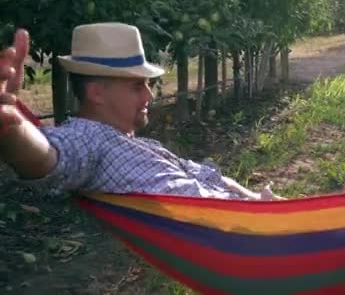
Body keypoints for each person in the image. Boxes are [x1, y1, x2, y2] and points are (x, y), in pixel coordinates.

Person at [0, 22, 283, 200]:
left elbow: (211, 178)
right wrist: (11, 128)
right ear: (97, 93)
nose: (149, 95)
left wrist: (258, 200)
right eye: (137, 86)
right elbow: (50, 159)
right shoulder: (90, 139)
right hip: (245, 238)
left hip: (255, 223)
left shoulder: (142, 145)